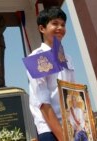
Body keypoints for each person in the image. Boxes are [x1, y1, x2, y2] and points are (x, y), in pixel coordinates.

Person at [27, 7, 75, 141]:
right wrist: (62, 137)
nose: (60, 27)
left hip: (71, 125)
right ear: (42, 28)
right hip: (49, 129)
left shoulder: (68, 58)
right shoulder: (37, 58)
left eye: (63, 25)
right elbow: (43, 103)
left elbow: (72, 93)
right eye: (55, 23)